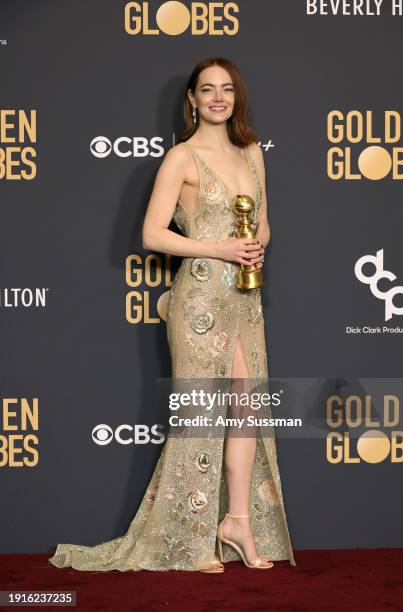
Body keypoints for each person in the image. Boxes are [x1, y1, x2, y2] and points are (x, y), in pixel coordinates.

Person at [48, 56, 295, 574]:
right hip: (200, 300)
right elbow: (152, 234)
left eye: (227, 89)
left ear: (236, 97)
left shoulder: (252, 153)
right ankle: (192, 536)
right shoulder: (181, 158)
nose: (218, 98)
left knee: (248, 410)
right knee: (201, 416)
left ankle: (239, 522)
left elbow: (265, 224)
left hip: (245, 299)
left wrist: (254, 247)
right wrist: (224, 248)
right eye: (207, 89)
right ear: (192, 99)